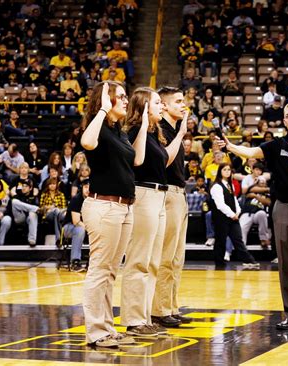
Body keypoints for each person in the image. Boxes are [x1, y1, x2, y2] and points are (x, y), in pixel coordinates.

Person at [218, 101, 288, 332]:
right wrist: (230, 147)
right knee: (286, 263)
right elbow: (250, 152)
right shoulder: (276, 145)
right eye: (287, 115)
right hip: (283, 208)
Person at [80, 81, 146, 348]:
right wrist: (102, 110)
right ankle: (96, 332)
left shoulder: (118, 132)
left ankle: (107, 328)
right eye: (120, 97)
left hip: (124, 206)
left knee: (110, 272)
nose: (125, 100)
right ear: (105, 101)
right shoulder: (98, 128)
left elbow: (136, 161)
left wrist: (142, 127)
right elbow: (86, 141)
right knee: (99, 270)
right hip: (103, 207)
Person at [121, 87, 187, 337]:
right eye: (157, 102)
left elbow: (164, 161)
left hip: (158, 196)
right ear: (144, 106)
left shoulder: (154, 133)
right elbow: (137, 162)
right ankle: (133, 319)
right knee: (139, 261)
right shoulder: (136, 131)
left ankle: (145, 316)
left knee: (152, 262)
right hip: (145, 194)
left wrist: (180, 134)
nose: (161, 106)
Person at [150, 86, 193, 328]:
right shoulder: (160, 130)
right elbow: (163, 162)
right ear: (164, 105)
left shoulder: (175, 129)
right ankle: (160, 309)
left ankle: (171, 307)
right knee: (166, 257)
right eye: (178, 101)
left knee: (177, 258)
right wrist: (181, 134)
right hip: (167, 194)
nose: (183, 104)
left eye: (183, 99)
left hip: (180, 194)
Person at [209, 163, 259, 268]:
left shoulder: (230, 184)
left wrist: (238, 211)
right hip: (221, 218)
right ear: (220, 172)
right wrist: (232, 214)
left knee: (238, 239)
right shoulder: (216, 186)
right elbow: (220, 205)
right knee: (220, 241)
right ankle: (219, 263)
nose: (227, 172)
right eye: (224, 170)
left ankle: (249, 260)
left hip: (233, 217)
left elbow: (234, 199)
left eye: (229, 170)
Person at [62, 179, 90, 272]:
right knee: (80, 230)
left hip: (85, 227)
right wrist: (90, 229)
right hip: (68, 228)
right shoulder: (76, 199)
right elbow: (76, 221)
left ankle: (92, 263)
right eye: (86, 187)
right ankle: (75, 262)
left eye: (90, 187)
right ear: (82, 188)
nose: (88, 190)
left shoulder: (94, 201)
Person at [11, 179, 40, 247]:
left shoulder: (34, 198)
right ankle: (35, 209)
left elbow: (36, 215)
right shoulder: (17, 196)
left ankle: (32, 240)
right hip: (19, 217)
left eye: (26, 186)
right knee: (14, 201)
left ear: (30, 188)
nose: (24, 188)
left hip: (29, 219)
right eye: (23, 186)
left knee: (32, 214)